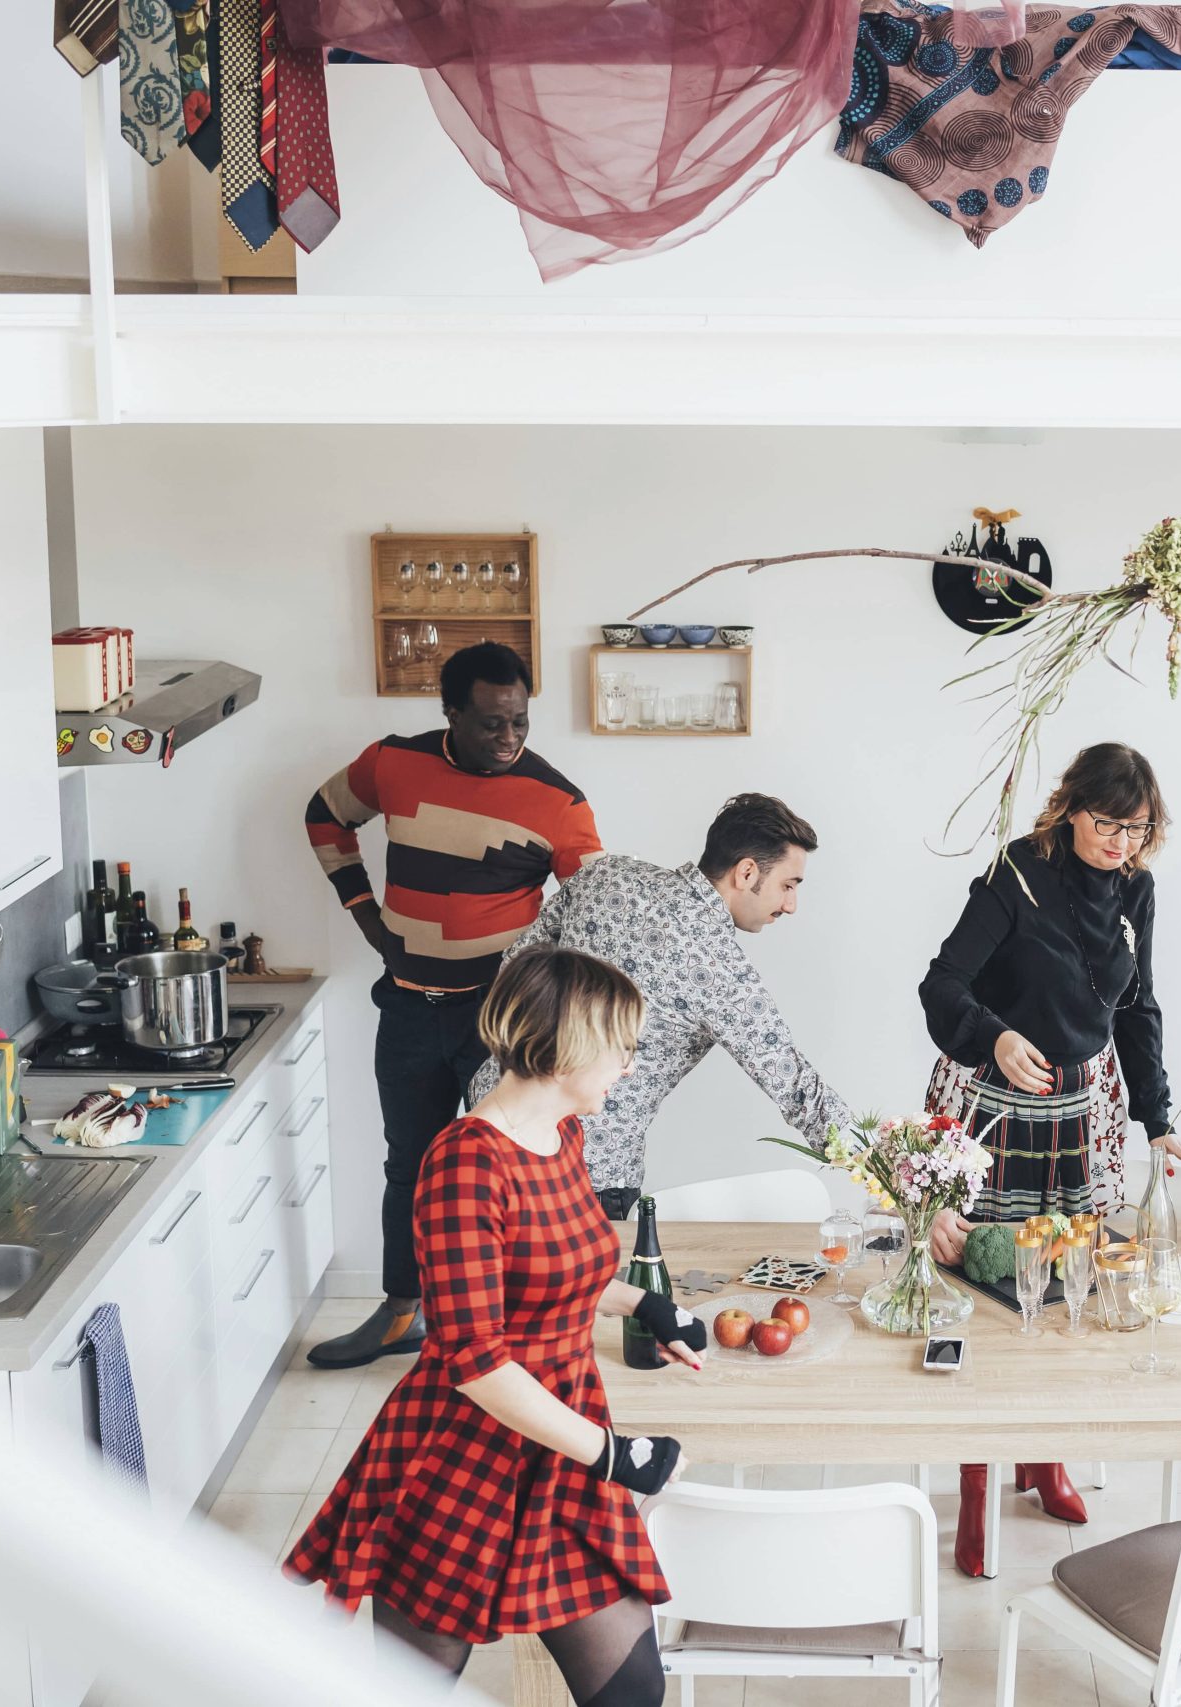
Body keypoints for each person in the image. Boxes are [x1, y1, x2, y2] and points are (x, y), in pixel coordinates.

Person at [285, 949, 705, 1704]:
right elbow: (476, 1359)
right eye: (622, 1046)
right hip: (464, 1456)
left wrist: (639, 1302)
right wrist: (614, 1454)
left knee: (633, 1688)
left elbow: (551, 1267)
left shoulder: (563, 1136)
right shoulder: (465, 1162)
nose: (630, 1067)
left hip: (561, 1437)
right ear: (570, 1043)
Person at [918, 741, 1181, 1575]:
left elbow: (1138, 1007)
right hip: (999, 1101)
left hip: (1081, 1108)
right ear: (1070, 807)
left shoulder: (1137, 889)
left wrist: (1156, 1117)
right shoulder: (1016, 873)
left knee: (1063, 1286)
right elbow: (942, 983)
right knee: (988, 1285)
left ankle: (1042, 1460)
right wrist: (996, 1036)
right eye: (1108, 823)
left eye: (1138, 827)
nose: (1122, 841)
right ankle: (978, 1487)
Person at [302, 641, 603, 1369]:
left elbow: (596, 913)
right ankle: (401, 1314)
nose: (508, 739)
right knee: (409, 1165)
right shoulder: (393, 763)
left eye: (520, 723)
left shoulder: (558, 803)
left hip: (498, 1025)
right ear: (451, 713)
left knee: (512, 1173)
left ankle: (506, 1334)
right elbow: (323, 814)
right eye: (490, 723)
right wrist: (365, 915)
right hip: (406, 1007)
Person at [462, 792, 858, 1221]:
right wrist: (891, 1167)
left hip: (492, 1116)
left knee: (482, 1274)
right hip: (587, 1170)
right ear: (746, 872)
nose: (790, 905)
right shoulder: (720, 969)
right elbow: (797, 1088)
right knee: (581, 1288)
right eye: (788, 885)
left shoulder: (605, 875)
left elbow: (517, 965)